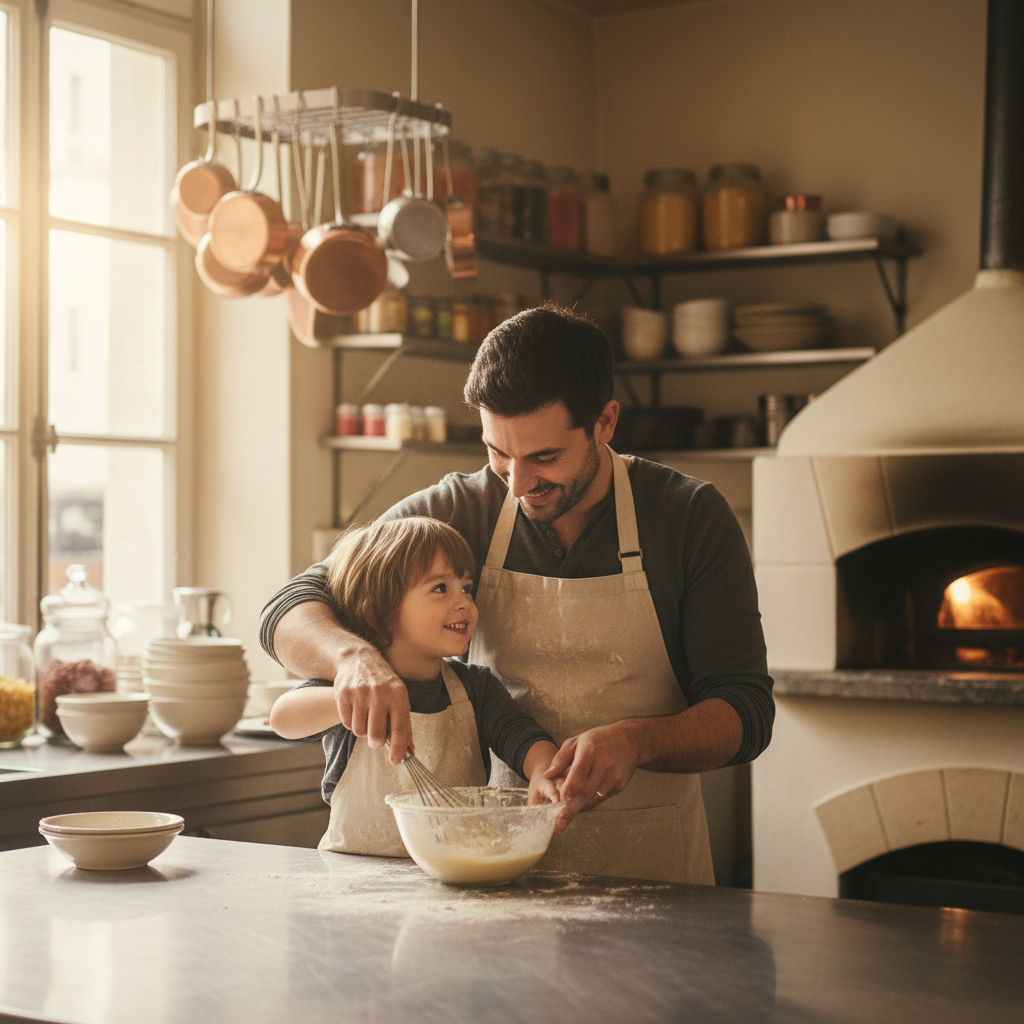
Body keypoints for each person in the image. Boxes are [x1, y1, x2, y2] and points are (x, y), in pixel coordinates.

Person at [261, 304, 774, 883]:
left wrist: (640, 741)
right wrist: (351, 659)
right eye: (497, 452)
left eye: (544, 458)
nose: (518, 483)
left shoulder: (686, 516)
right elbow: (289, 606)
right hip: (495, 865)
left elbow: (746, 713)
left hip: (655, 869)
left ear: (605, 422)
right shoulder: (466, 507)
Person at [269, 516, 562, 857]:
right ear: (378, 612)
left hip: (455, 870)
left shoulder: (475, 688)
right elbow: (282, 718)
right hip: (353, 882)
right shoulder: (356, 685)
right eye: (440, 588)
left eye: (466, 587)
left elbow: (520, 735)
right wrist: (354, 702)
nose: (464, 602)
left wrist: (544, 769)